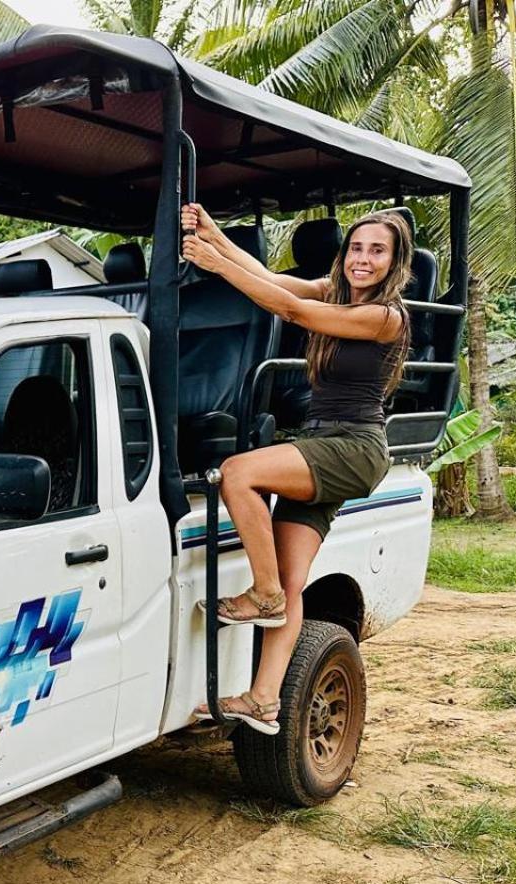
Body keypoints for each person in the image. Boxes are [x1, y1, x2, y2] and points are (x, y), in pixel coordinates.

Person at [178, 203, 414, 734]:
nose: (363, 258)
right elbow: (269, 280)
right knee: (293, 583)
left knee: (237, 473)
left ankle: (262, 595)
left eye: (377, 251)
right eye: (356, 247)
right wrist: (214, 235)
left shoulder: (386, 316)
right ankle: (263, 700)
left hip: (353, 446)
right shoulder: (334, 292)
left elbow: (291, 311)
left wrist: (214, 266)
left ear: (394, 263)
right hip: (322, 440)